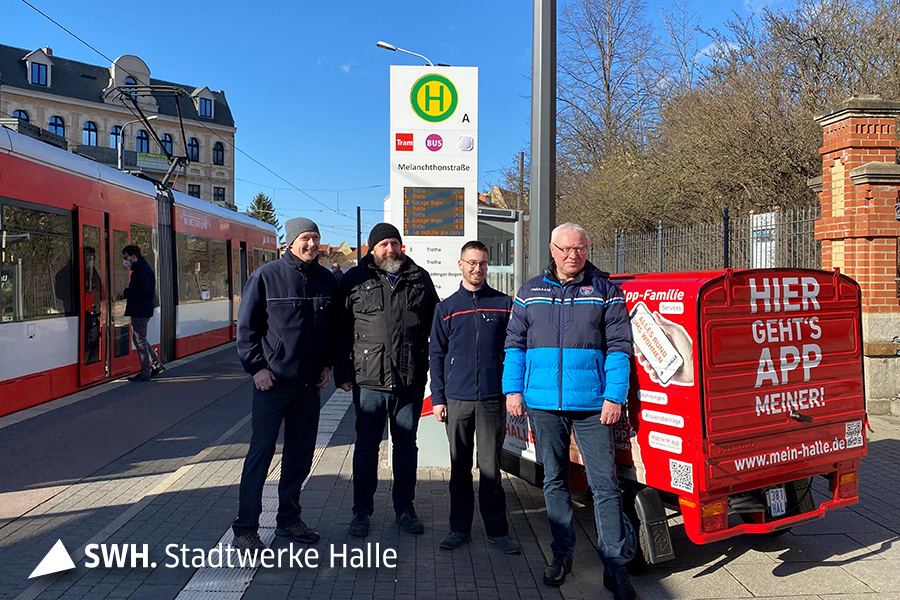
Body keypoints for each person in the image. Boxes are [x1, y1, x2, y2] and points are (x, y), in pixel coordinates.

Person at [503, 223, 636, 599]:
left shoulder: (605, 291)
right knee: (555, 481)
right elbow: (514, 345)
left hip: (593, 405)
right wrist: (512, 389)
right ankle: (562, 555)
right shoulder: (530, 292)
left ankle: (615, 566)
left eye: (580, 248)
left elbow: (619, 348)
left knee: (605, 486)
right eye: (566, 249)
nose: (573, 255)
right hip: (543, 404)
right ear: (552, 249)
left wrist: (614, 396)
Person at [232, 217, 336, 552]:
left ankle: (289, 520)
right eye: (305, 238)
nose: (311, 244)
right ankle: (245, 528)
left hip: (308, 386)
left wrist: (327, 366)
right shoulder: (266, 276)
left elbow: (330, 331)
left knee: (300, 455)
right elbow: (246, 331)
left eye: (315, 238)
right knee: (261, 453)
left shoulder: (326, 280)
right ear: (290, 242)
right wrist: (256, 369)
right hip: (271, 384)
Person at [334, 223, 439, 538]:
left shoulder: (419, 278)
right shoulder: (355, 279)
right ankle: (361, 512)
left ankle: (405, 509)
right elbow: (340, 330)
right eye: (383, 245)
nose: (390, 249)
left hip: (409, 381)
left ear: (401, 246)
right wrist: (342, 372)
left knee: (406, 448)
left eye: (394, 243)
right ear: (372, 248)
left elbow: (437, 326)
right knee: (366, 448)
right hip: (368, 382)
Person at [430, 241, 520, 554]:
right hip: (456, 400)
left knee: (491, 469)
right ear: (460, 264)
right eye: (472, 262)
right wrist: (438, 398)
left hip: (493, 399)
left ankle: (497, 530)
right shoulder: (446, 308)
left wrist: (514, 390)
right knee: (459, 469)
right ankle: (459, 529)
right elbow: (436, 355)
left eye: (482, 263)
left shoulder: (503, 304)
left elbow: (516, 350)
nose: (477, 268)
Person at [121, 245, 163, 382]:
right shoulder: (143, 269)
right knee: (141, 339)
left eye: (126, 257)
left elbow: (143, 291)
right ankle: (156, 365)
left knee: (139, 340)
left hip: (140, 310)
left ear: (134, 256)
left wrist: (126, 293)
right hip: (142, 309)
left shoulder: (142, 271)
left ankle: (146, 371)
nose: (125, 260)